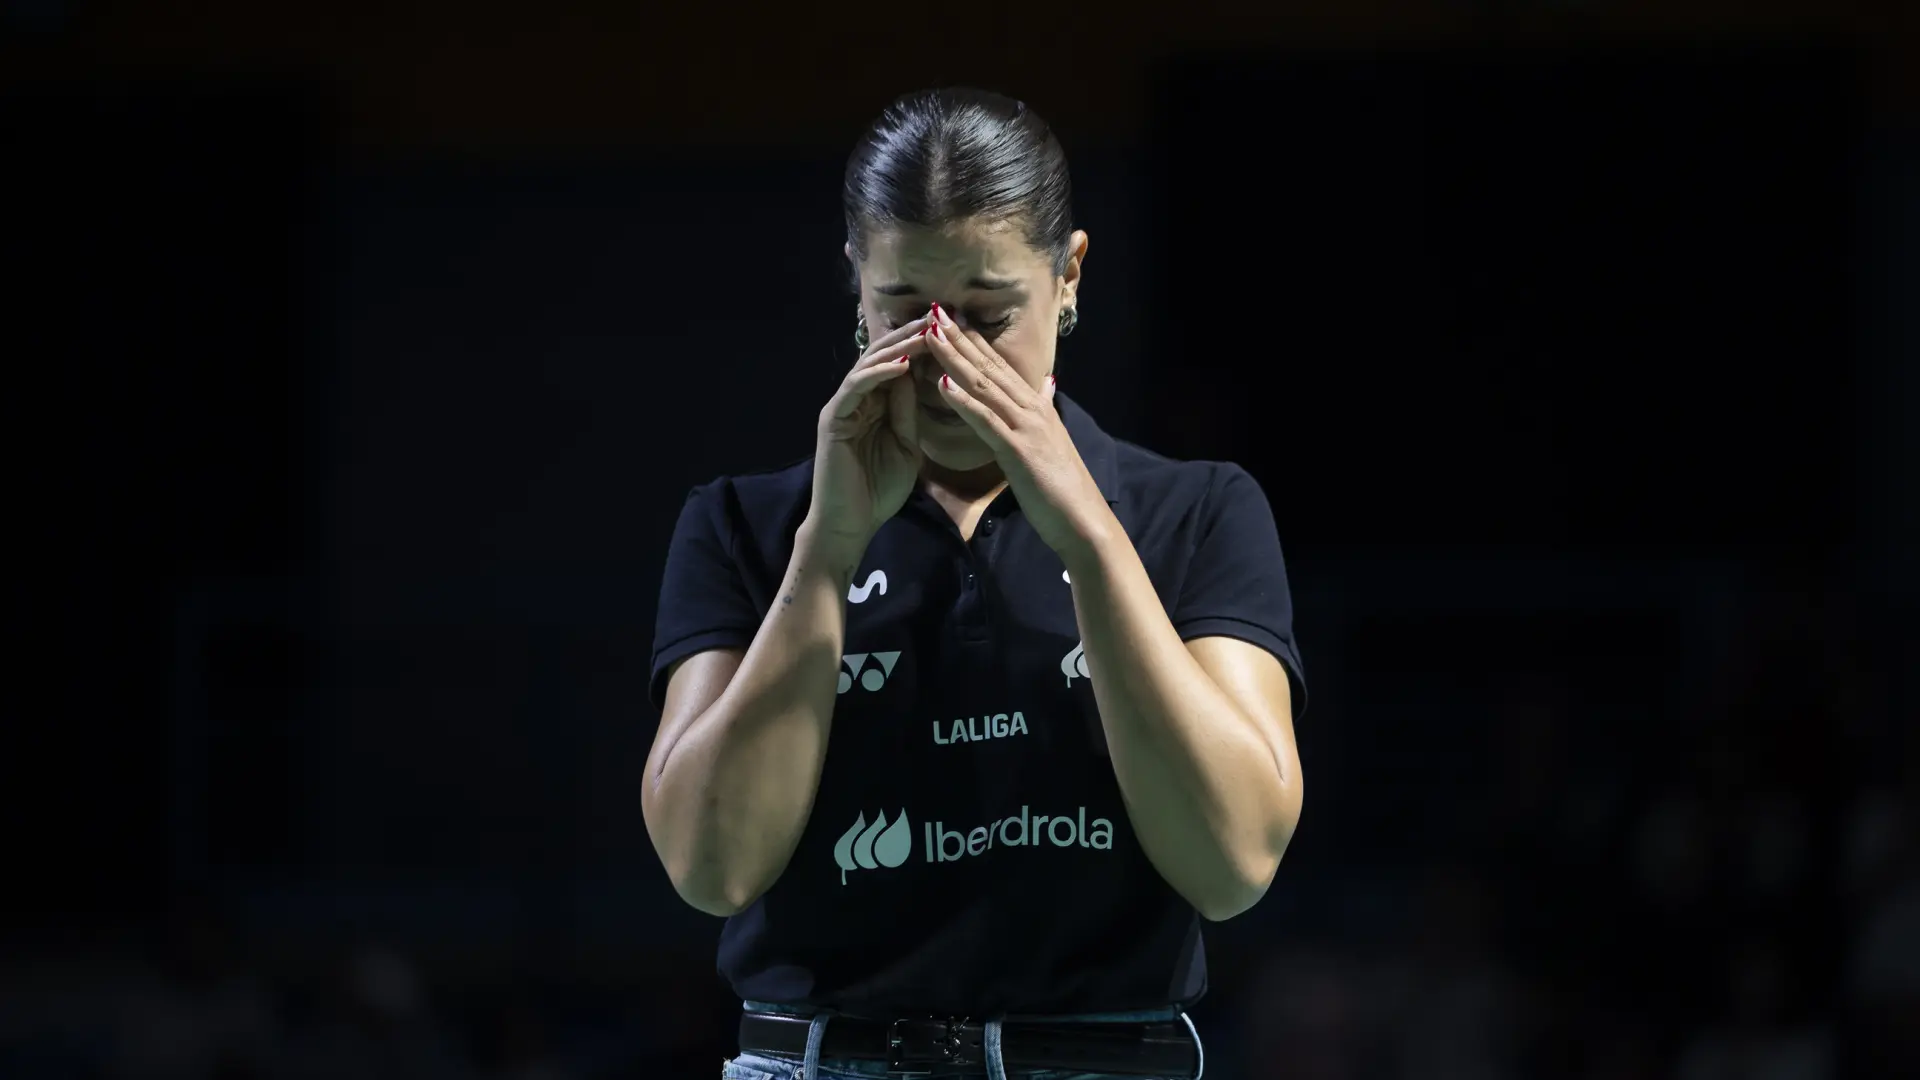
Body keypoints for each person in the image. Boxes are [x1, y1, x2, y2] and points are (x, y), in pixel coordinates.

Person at [643, 87, 1307, 1080]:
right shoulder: (743, 527)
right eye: (905, 310)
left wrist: (1087, 538)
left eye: (989, 314)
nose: (943, 359)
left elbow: (1235, 864)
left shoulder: (1198, 514)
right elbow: (710, 867)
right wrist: (827, 550)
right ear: (855, 282)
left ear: (1069, 276)